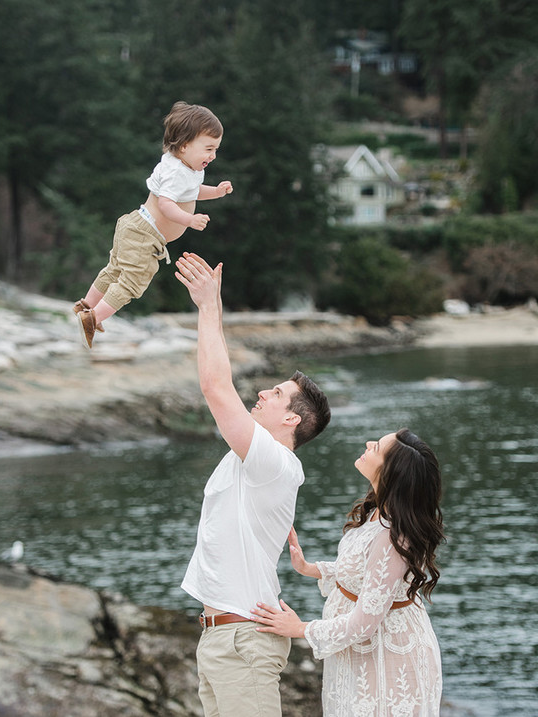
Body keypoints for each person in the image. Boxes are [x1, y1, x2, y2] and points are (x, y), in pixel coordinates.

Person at [174, 252, 331, 717]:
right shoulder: (251, 458)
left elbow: (216, 387)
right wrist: (214, 307)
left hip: (243, 641)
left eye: (276, 392)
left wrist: (207, 307)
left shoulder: (276, 462)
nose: (262, 392)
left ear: (289, 418)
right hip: (222, 637)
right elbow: (220, 386)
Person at [251, 428, 445, 717]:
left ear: (390, 472)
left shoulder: (394, 535)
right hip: (358, 653)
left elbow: (364, 623)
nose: (368, 443)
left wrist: (299, 628)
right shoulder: (377, 510)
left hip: (386, 655)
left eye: (376, 446)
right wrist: (311, 569)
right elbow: (366, 575)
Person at [73, 102, 232, 348]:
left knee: (114, 270)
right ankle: (92, 318)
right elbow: (167, 204)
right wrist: (189, 220)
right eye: (209, 149)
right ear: (184, 145)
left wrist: (217, 192)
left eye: (216, 149)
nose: (213, 156)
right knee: (132, 281)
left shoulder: (184, 167)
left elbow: (192, 191)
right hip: (143, 233)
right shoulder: (176, 172)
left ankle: (87, 305)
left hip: (136, 228)